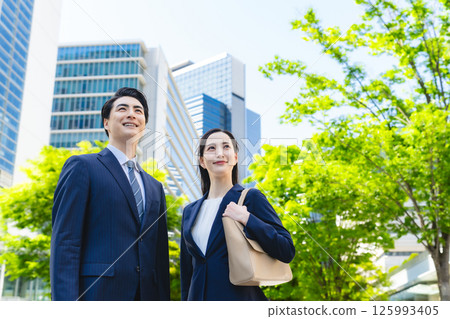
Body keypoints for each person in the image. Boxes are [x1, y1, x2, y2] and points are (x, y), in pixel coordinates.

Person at [50, 87, 170, 301]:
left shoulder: (155, 187)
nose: (131, 114)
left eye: (138, 111)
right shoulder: (82, 167)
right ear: (106, 122)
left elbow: (159, 257)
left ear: (144, 125)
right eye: (122, 109)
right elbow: (66, 243)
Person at [180, 128, 295, 300]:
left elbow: (286, 250)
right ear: (202, 161)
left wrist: (248, 219)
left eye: (226, 147)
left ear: (235, 158)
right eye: (211, 148)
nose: (220, 153)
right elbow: (187, 271)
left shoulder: (250, 198)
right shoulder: (190, 211)